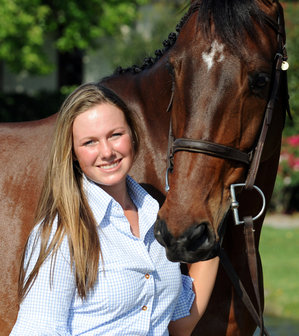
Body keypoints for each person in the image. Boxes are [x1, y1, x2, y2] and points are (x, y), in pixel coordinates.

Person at [10, 83, 219, 336]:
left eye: (115, 135)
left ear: (133, 134)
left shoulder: (156, 218)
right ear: (73, 153)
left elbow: (178, 325)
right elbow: (36, 329)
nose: (107, 152)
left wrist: (212, 225)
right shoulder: (61, 234)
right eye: (90, 142)